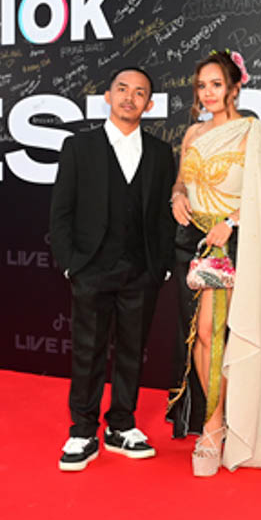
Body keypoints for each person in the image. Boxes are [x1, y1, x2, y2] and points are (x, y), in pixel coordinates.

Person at [50, 67, 175, 472]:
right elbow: (61, 211)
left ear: (149, 105)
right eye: (122, 89)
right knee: (87, 350)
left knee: (131, 351)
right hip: (91, 267)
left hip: (141, 269)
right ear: (107, 95)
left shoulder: (160, 153)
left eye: (139, 93)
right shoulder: (79, 147)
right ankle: (82, 429)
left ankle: (121, 424)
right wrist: (71, 264)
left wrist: (161, 266)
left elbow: (162, 216)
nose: (129, 98)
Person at [167, 50, 261, 476]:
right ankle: (213, 417)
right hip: (190, 240)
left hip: (228, 242)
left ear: (234, 86)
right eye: (202, 86)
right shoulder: (193, 133)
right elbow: (182, 180)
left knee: (213, 335)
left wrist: (230, 222)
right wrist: (177, 195)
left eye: (216, 84)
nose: (208, 93)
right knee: (199, 338)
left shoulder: (252, 132)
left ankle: (214, 427)